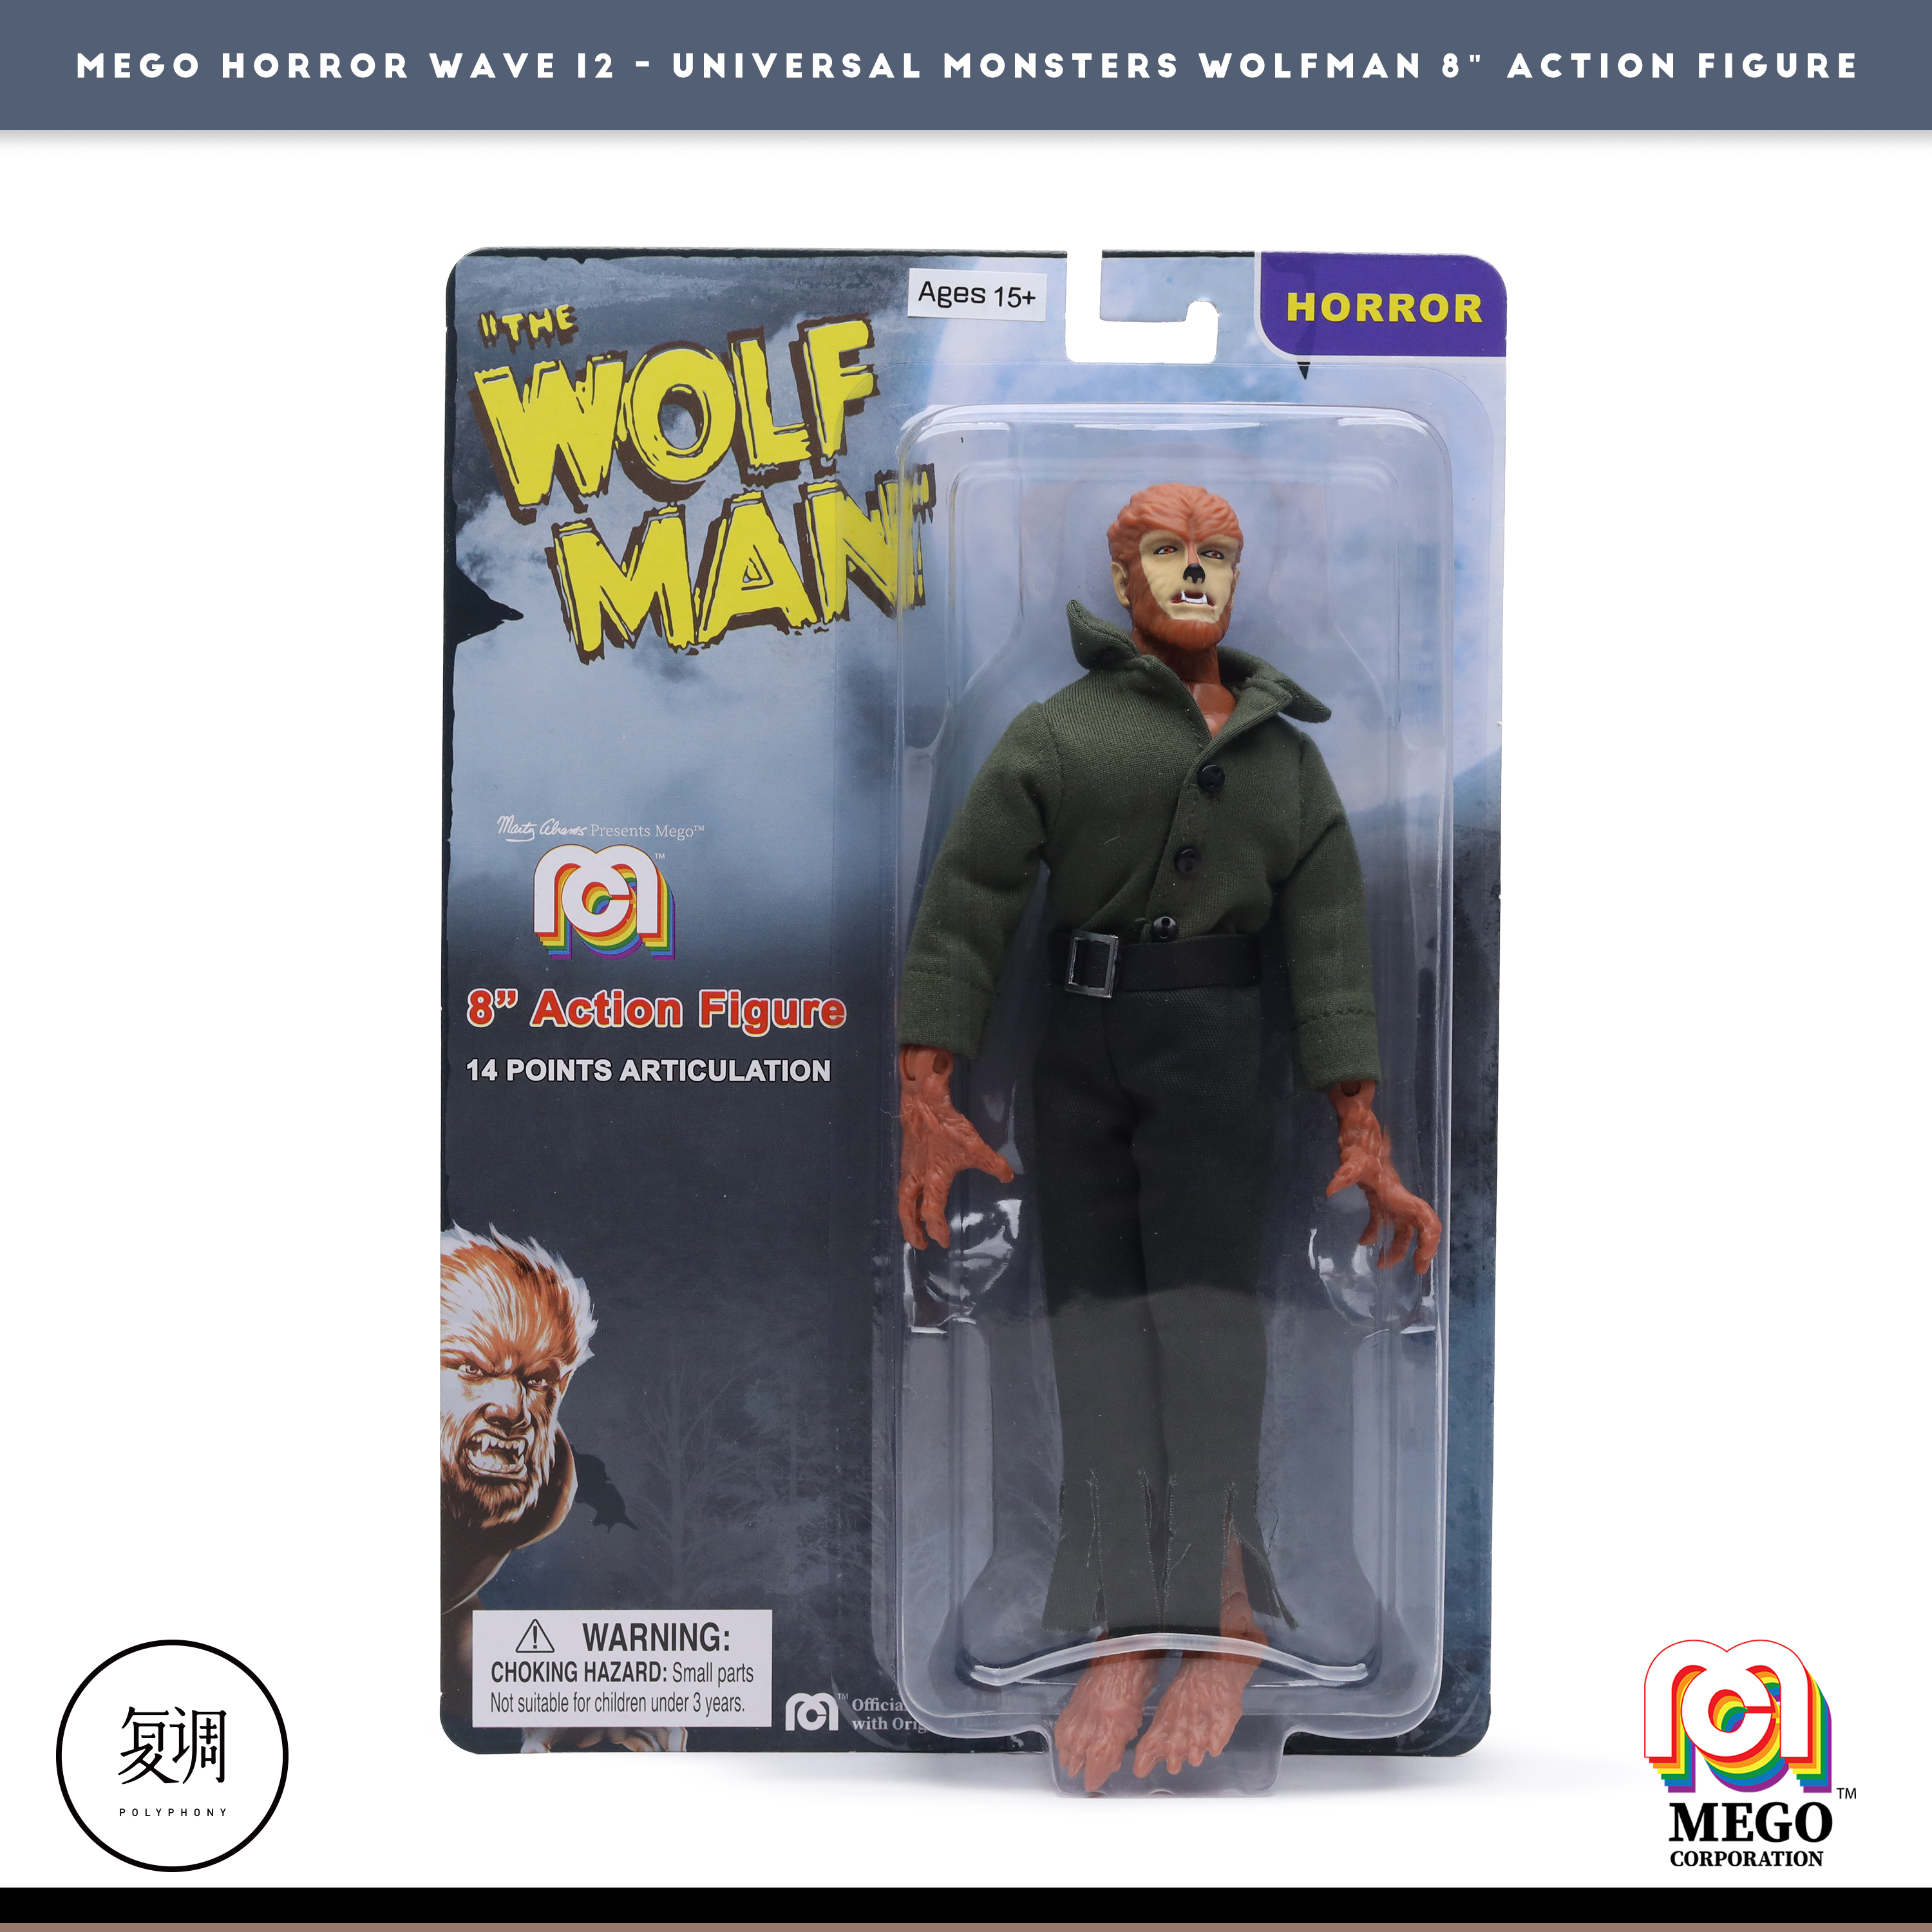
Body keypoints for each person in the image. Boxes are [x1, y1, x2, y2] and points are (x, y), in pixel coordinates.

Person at [896, 483, 1439, 1790]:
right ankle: (1122, 1621)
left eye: (1214, 555)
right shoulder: (1061, 733)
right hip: (1079, 1057)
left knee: (1206, 1333)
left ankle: (1226, 1612)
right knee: (1091, 1328)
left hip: (1213, 1060)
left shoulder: (1283, 760)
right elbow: (969, 901)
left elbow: (1330, 945)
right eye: (1167, 552)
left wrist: (1360, 1123)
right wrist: (929, 1095)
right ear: (1124, 575)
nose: (1193, 574)